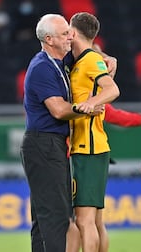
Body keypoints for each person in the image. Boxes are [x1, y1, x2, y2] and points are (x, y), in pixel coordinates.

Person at [20, 13, 102, 252]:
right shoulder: (42, 68)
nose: (71, 36)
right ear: (49, 39)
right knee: (56, 217)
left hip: (49, 144)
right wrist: (87, 108)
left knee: (44, 215)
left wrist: (105, 58)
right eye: (65, 33)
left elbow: (87, 50)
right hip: (43, 144)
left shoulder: (58, 62)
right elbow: (57, 110)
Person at [68, 12, 120, 252]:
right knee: (95, 221)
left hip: (88, 147)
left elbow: (112, 90)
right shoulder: (84, 60)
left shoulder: (89, 60)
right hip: (90, 147)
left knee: (84, 221)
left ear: (74, 32)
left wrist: (91, 103)